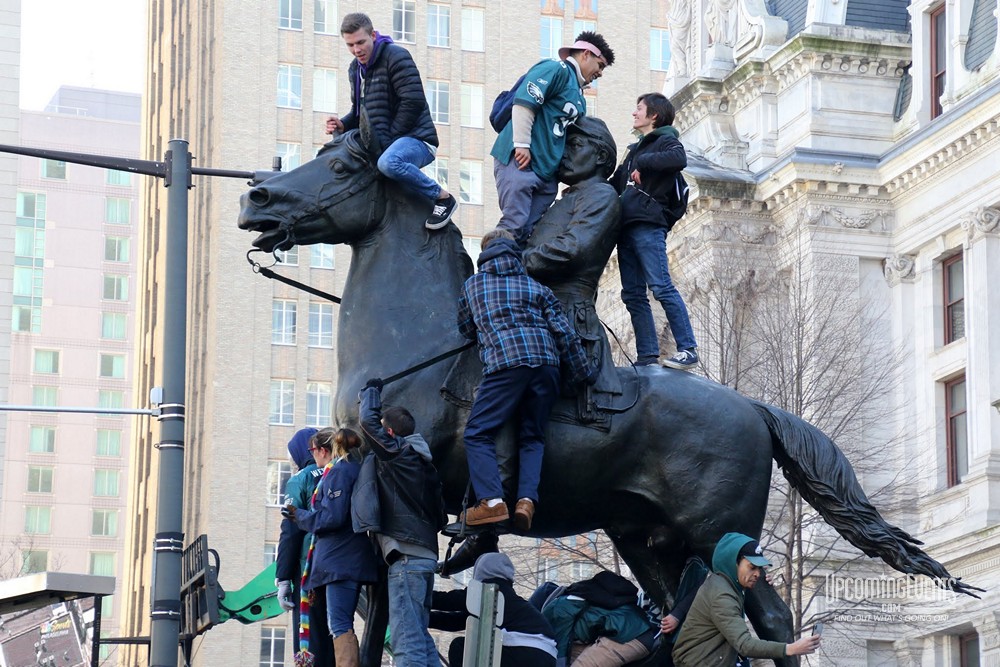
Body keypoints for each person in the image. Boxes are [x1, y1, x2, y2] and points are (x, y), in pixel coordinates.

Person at [457, 229, 595, 530]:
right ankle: (526, 501)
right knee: (533, 436)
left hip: (506, 365)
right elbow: (564, 333)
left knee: (477, 433)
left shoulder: (473, 285)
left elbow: (466, 328)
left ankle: (492, 502)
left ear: (485, 252)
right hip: (547, 366)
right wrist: (581, 373)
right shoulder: (535, 286)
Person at [326, 12, 457, 230]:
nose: (356, 50)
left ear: (373, 35)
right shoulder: (355, 69)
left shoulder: (396, 56)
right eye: (350, 45)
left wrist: (389, 140)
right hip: (387, 145)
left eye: (360, 42)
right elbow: (360, 113)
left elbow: (413, 102)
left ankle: (442, 198)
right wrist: (343, 124)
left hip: (417, 140)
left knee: (389, 163)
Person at [522, 117, 621, 400]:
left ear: (601, 156)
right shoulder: (568, 198)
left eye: (574, 145)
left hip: (565, 313)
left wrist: (520, 262)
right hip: (540, 306)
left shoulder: (601, 194)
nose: (563, 154)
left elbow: (573, 248)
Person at [491, 31, 615, 246]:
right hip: (521, 160)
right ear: (586, 54)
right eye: (600, 65)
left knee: (528, 233)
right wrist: (522, 144)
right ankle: (493, 265)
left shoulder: (580, 96)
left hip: (547, 173)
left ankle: (514, 266)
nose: (601, 73)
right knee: (514, 223)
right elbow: (524, 102)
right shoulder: (555, 69)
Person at [357, 382, 447, 667]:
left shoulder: (400, 454)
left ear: (390, 433)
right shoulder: (424, 464)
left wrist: (370, 392)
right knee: (419, 639)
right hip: (424, 558)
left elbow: (367, 422)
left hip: (407, 558)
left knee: (407, 645)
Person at [610, 93, 698, 370]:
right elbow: (614, 184)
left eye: (639, 108)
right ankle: (647, 357)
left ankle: (688, 349)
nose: (634, 113)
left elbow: (678, 158)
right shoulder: (633, 151)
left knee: (660, 286)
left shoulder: (665, 141)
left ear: (654, 115)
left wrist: (643, 162)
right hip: (625, 229)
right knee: (633, 295)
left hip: (648, 225)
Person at [288, 428, 379, 667]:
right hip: (346, 558)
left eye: (312, 451)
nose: (312, 456)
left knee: (339, 624)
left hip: (340, 560)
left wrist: (300, 516)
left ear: (322, 450)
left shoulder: (339, 472)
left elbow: (332, 517)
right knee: (340, 623)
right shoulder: (352, 468)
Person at [671, 533, 822, 667]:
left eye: (759, 568)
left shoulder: (726, 584)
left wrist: (765, 585)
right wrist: (790, 649)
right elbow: (745, 645)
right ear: (733, 563)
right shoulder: (722, 595)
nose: (757, 574)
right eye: (752, 567)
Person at [430, 552, 558, 667]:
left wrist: (421, 596)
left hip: (524, 650)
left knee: (460, 647)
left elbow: (450, 601)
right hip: (546, 656)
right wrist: (427, 618)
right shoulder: (504, 597)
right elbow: (459, 620)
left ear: (482, 570)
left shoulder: (489, 590)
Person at [275, 427, 333, 666]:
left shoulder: (301, 479)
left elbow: (290, 531)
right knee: (338, 629)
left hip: (310, 568)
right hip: (341, 564)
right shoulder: (340, 471)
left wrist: (283, 578)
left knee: (311, 639)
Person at [541, 570, 657, 667]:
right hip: (625, 630)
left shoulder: (556, 610)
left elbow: (560, 655)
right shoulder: (572, 599)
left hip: (629, 635)